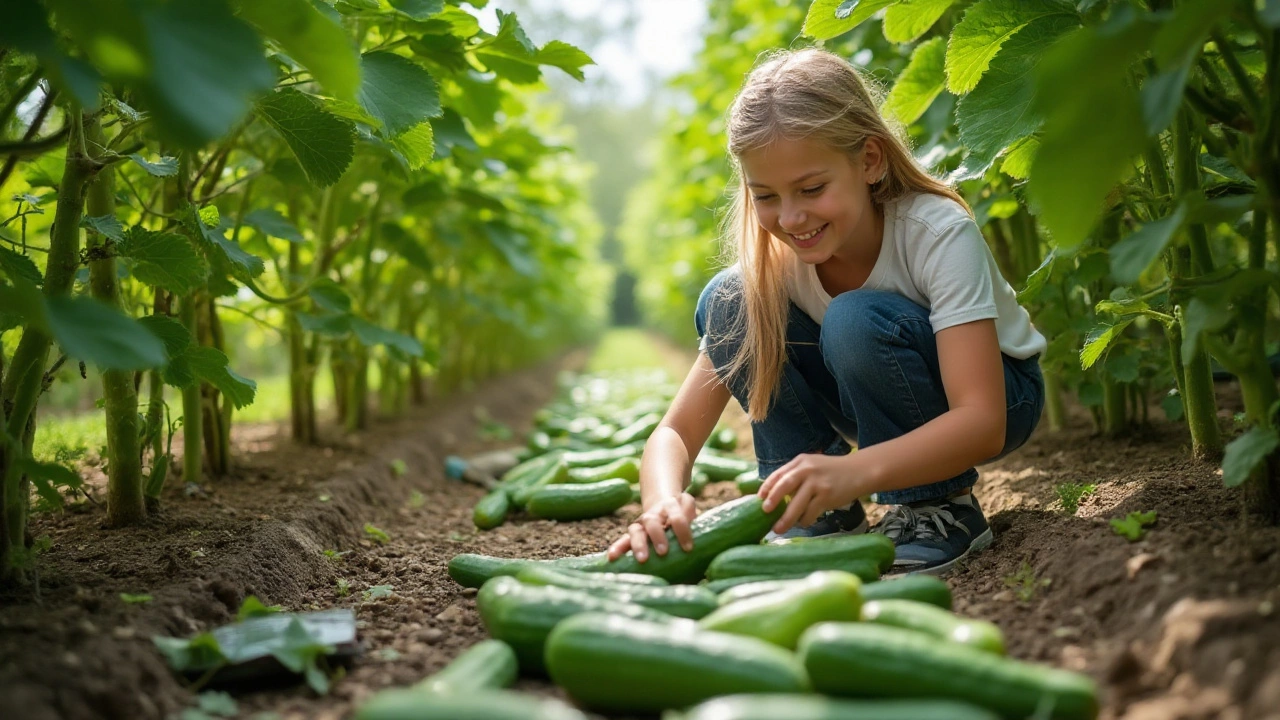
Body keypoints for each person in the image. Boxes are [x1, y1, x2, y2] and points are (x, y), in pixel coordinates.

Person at [605, 47, 1046, 575]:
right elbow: (674, 433)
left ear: (869, 160)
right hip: (870, 394)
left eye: (811, 189)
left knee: (855, 318)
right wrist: (661, 502)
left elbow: (983, 422)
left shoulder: (935, 233)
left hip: (995, 396)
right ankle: (819, 510)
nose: (791, 218)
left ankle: (938, 506)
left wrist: (857, 469)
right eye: (765, 196)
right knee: (729, 299)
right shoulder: (776, 266)